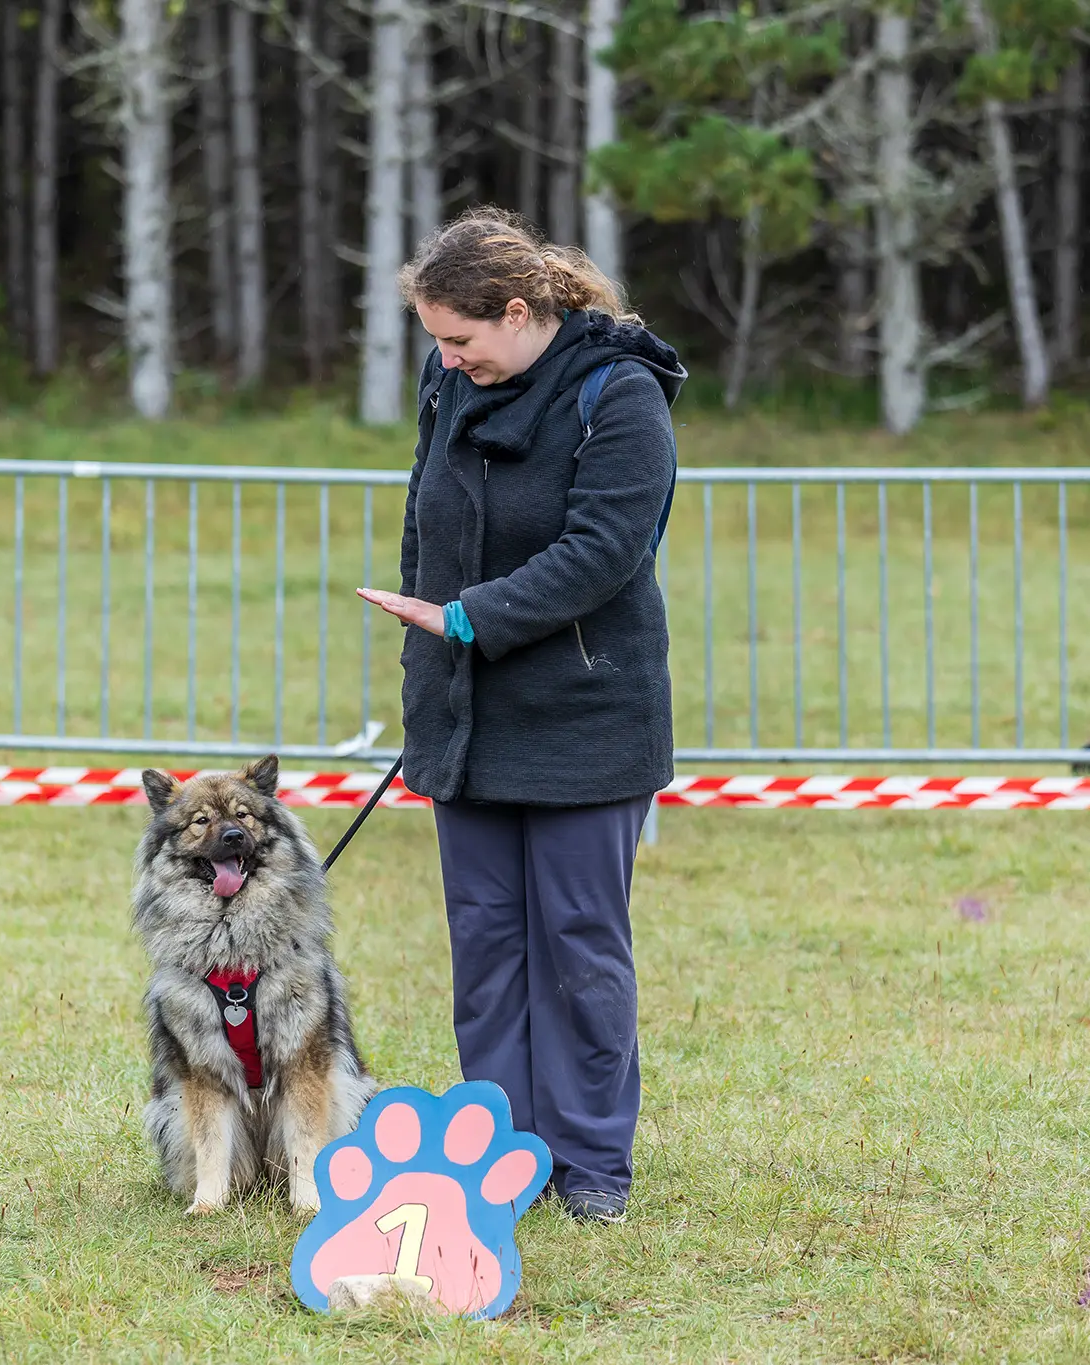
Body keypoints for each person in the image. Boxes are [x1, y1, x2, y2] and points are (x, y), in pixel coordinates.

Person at [358, 208, 686, 1224]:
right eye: (435, 346)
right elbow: (428, 522)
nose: (449, 363)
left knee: (579, 946)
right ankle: (503, 1156)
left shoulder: (618, 394)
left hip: (589, 717)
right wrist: (428, 664)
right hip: (465, 717)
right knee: (486, 949)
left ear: (516, 311)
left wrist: (466, 618)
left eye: (461, 341)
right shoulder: (449, 382)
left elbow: (603, 552)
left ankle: (591, 1169)